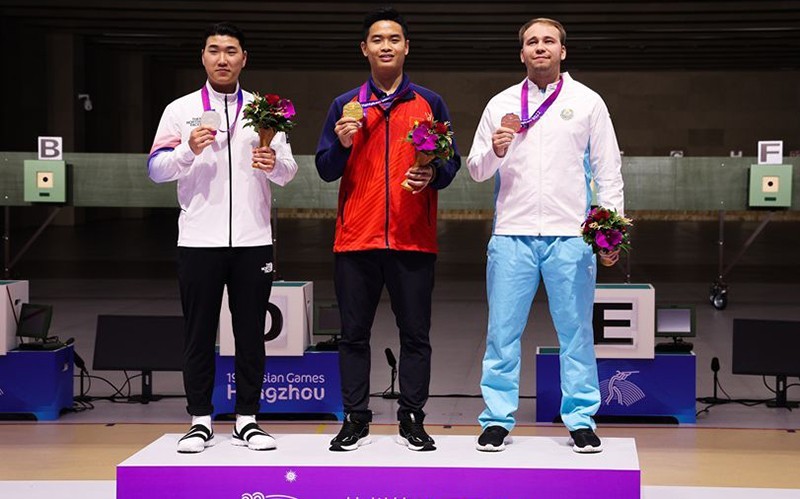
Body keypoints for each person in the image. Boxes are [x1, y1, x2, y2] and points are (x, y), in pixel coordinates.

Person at [467, 17, 624, 453]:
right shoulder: (500, 103)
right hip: (511, 235)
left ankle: (580, 419)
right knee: (502, 333)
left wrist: (608, 231)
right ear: (522, 54)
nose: (540, 48)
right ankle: (497, 418)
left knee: (576, 333)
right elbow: (476, 169)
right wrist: (495, 150)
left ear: (562, 51)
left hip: (570, 237)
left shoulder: (588, 102)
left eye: (548, 41)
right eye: (532, 42)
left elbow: (609, 172)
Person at [315, 7, 460, 452]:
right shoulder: (345, 105)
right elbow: (324, 169)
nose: (386, 46)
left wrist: (432, 174)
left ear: (406, 47)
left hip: (413, 239)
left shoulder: (429, 103)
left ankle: (412, 418)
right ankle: (355, 418)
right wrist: (340, 143)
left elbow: (450, 164)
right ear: (365, 48)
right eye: (377, 39)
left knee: (416, 335)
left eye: (394, 38)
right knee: (354, 335)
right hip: (356, 239)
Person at [148, 22, 298, 453]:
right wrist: (186, 151)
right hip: (198, 240)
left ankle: (247, 419)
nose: (223, 59)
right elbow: (155, 169)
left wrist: (272, 163)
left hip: (253, 240)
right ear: (203, 57)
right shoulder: (180, 110)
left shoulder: (265, 111)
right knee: (198, 332)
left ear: (243, 59)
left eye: (231, 51)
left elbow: (288, 173)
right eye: (214, 50)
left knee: (250, 332)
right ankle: (199, 420)